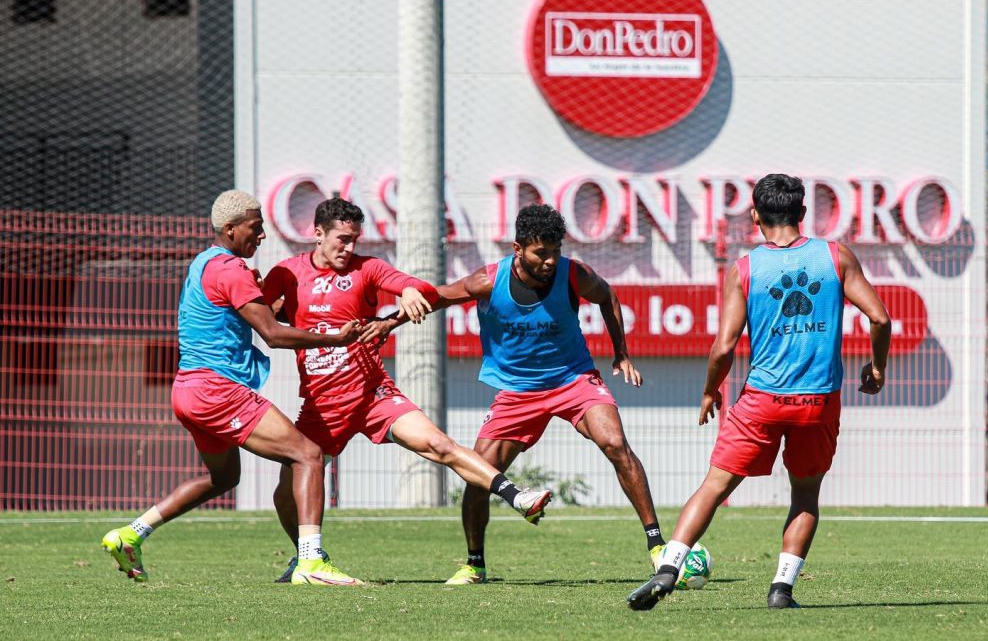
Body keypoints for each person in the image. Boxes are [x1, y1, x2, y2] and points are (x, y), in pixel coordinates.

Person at [627, 173, 892, 611]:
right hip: (817, 401)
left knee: (714, 486)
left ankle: (669, 567)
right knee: (805, 495)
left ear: (755, 216)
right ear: (802, 213)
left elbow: (724, 346)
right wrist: (877, 367)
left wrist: (710, 391)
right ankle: (781, 589)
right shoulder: (835, 256)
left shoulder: (745, 270)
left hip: (762, 400)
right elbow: (880, 318)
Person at [261, 198, 554, 583]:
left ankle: (518, 496)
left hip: (372, 394)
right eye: (342, 239)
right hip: (321, 405)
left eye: (354, 239)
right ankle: (307, 557)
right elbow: (260, 313)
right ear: (318, 234)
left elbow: (415, 285)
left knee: (439, 445)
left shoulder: (366, 268)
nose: (349, 247)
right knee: (284, 495)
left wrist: (413, 292)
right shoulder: (286, 273)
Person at [101, 190, 369, 586]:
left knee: (223, 479)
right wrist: (335, 339)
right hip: (218, 390)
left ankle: (131, 534)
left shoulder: (204, 262)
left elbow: (245, 314)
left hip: (188, 390)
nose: (261, 235)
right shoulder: (232, 270)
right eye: (255, 228)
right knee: (309, 456)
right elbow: (273, 334)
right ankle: (311, 562)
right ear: (230, 228)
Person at [419, 203, 663, 585]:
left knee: (616, 443)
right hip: (518, 391)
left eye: (556, 251)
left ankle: (658, 546)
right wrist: (389, 321)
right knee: (479, 476)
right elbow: (436, 298)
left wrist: (621, 353)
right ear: (518, 249)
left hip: (574, 379)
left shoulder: (573, 274)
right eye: (541, 253)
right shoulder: (488, 280)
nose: (550, 261)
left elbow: (607, 296)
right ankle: (474, 564)